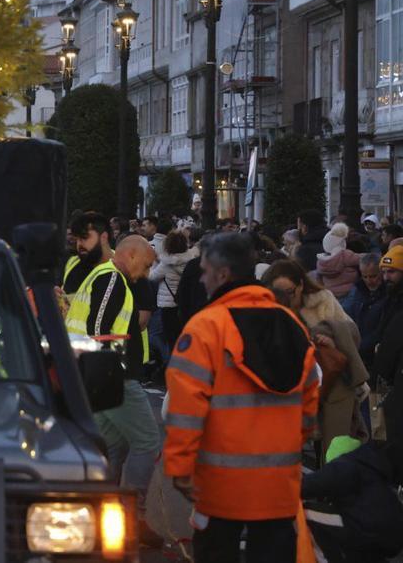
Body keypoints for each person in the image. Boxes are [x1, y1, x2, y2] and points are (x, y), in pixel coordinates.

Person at [164, 233, 318, 563]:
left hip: (219, 490)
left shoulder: (206, 328)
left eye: (204, 270)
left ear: (222, 274)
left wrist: (180, 468)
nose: (201, 278)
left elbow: (185, 409)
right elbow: (308, 406)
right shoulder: (291, 324)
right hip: (278, 488)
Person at [65, 235, 159, 538]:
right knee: (147, 441)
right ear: (130, 255)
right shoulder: (113, 280)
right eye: (145, 266)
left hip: (97, 375)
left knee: (111, 447)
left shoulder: (105, 276)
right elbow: (99, 332)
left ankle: (97, 511)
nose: (145, 274)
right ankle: (133, 518)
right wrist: (113, 374)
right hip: (112, 377)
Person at [264, 258, 368, 454]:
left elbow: (352, 334)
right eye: (277, 293)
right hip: (292, 393)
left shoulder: (322, 300)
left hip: (332, 385)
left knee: (334, 450)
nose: (284, 298)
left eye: (289, 292)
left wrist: (332, 339)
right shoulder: (267, 309)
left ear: (301, 285)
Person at [302, 436, 403, 563]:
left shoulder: (346, 466)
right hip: (389, 537)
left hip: (371, 528)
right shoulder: (371, 472)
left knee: (303, 514)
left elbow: (316, 483)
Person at [149, 229, 196, 361]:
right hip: (185, 304)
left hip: (168, 304)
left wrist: (153, 263)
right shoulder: (190, 261)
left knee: (168, 337)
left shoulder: (165, 264)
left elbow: (152, 277)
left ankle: (170, 363)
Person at [347, 252, 388, 364]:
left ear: (381, 272)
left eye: (373, 276)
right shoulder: (357, 291)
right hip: (358, 351)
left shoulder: (389, 295)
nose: (369, 280)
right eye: (365, 276)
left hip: (374, 353)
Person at [63, 211, 112, 296]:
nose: (79, 244)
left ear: (104, 237)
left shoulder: (122, 268)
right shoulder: (73, 263)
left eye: (84, 237)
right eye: (77, 239)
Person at [316, 222, 362, 305]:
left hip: (330, 293)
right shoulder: (344, 255)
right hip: (348, 292)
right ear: (341, 242)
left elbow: (319, 278)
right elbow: (361, 259)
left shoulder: (321, 260)